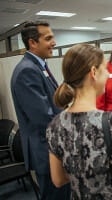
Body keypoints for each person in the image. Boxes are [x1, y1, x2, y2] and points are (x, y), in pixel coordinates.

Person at [46, 43, 112, 200]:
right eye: (104, 69)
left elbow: (58, 180)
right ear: (94, 72)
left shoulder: (54, 125)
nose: (107, 74)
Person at [10, 21, 70, 199]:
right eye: (48, 38)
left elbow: (51, 103)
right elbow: (44, 118)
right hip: (46, 150)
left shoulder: (39, 66)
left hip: (51, 146)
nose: (54, 42)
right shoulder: (27, 71)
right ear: (32, 42)